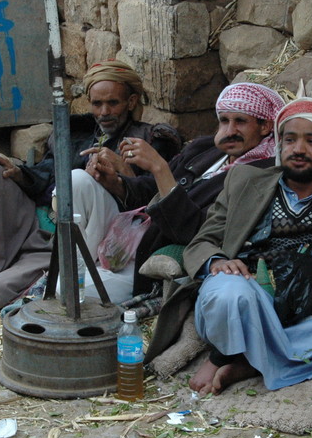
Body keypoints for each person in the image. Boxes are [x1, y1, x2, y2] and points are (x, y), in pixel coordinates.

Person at [0, 60, 180, 316]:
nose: (103, 112)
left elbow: (153, 202)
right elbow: (47, 178)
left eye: (113, 104)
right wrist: (20, 173)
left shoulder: (152, 140)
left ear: (130, 102)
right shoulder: (76, 131)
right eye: (96, 104)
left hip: (88, 239)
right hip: (44, 216)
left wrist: (121, 173)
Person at [153, 92, 312, 396]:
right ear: (279, 144)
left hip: (306, 320)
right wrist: (217, 262)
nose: (298, 149)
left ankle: (247, 364)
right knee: (229, 293)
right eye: (290, 140)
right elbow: (203, 241)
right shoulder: (245, 180)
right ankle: (228, 354)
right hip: (241, 294)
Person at [85, 82, 285, 301]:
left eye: (240, 122)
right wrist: (116, 183)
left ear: (265, 126)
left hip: (147, 255)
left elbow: (197, 232)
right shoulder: (206, 148)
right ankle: (78, 262)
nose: (229, 131)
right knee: (80, 181)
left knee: (67, 287)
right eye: (224, 121)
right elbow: (153, 190)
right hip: (127, 237)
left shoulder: (260, 175)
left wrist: (159, 167)